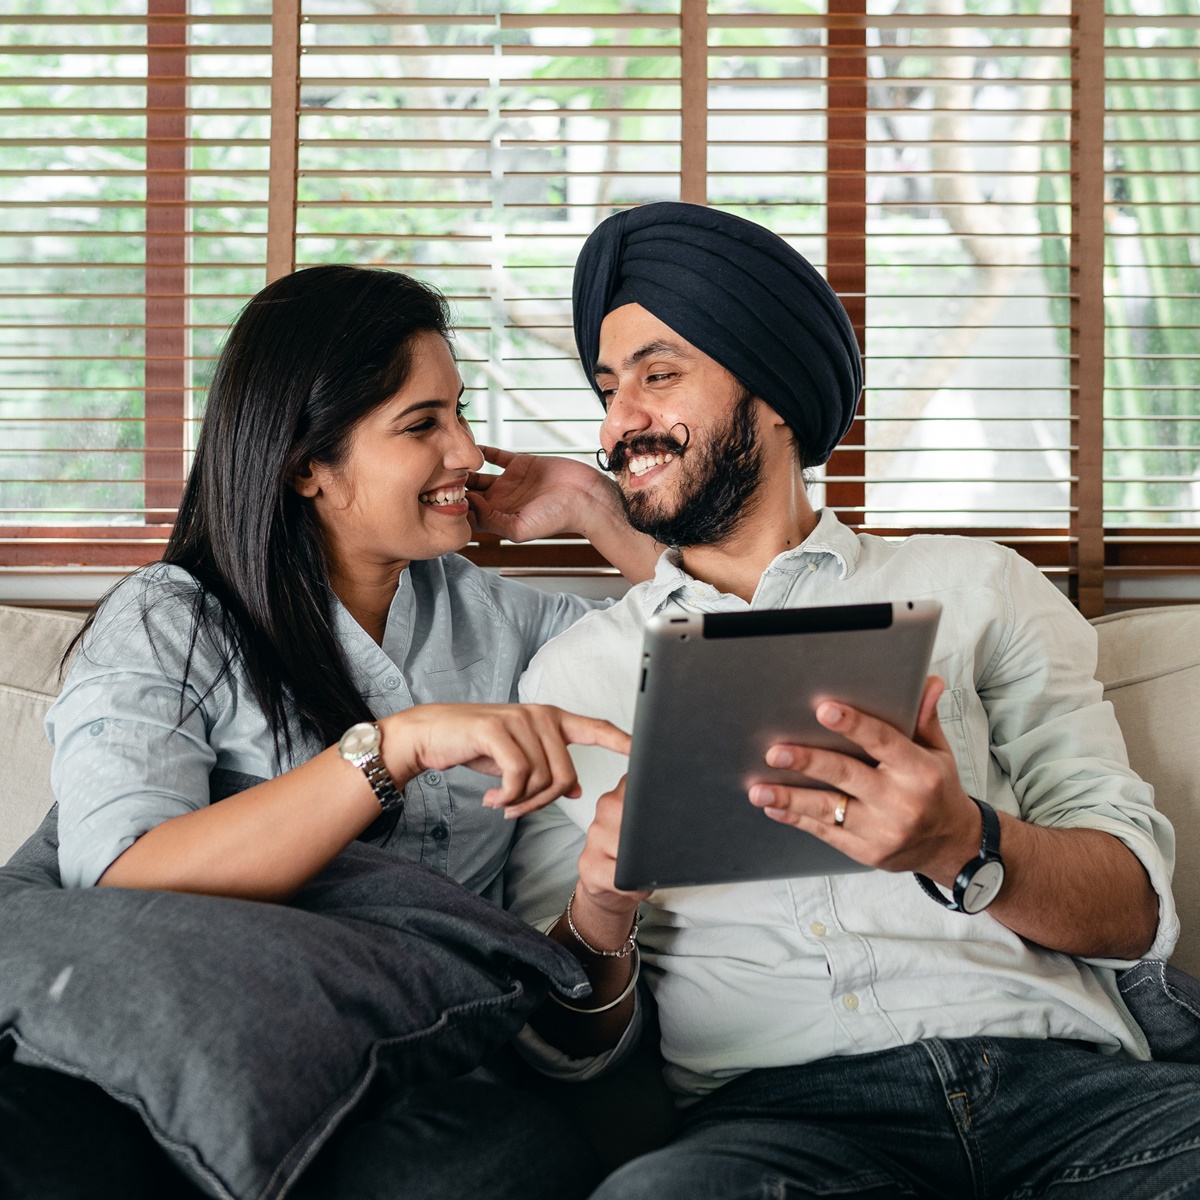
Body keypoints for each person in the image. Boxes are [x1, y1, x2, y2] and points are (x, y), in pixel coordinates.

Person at [505, 202, 1200, 1199]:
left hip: (1072, 1098)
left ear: (776, 396)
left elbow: (1132, 913)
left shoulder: (977, 588)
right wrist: (601, 905)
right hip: (779, 1132)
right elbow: (561, 1047)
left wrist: (960, 842)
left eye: (657, 375)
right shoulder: (576, 678)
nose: (618, 425)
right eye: (608, 389)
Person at [0, 263, 662, 1200]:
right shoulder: (173, 620)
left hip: (399, 1079)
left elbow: (705, 653)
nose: (470, 452)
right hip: (172, 1056)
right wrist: (391, 748)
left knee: (506, 1161)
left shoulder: (495, 620)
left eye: (461, 413)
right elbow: (120, 876)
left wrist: (605, 517)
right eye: (422, 425)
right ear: (307, 464)